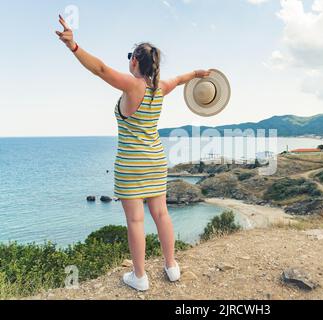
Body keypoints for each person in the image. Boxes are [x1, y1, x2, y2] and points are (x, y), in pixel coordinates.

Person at [56, 15, 211, 291]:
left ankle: (139, 276)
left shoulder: (133, 85)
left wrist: (74, 46)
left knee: (136, 220)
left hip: (131, 165)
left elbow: (101, 69)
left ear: (136, 62)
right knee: (162, 215)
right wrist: (198, 74)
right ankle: (171, 266)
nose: (129, 60)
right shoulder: (160, 87)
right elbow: (180, 78)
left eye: (131, 56)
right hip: (155, 160)